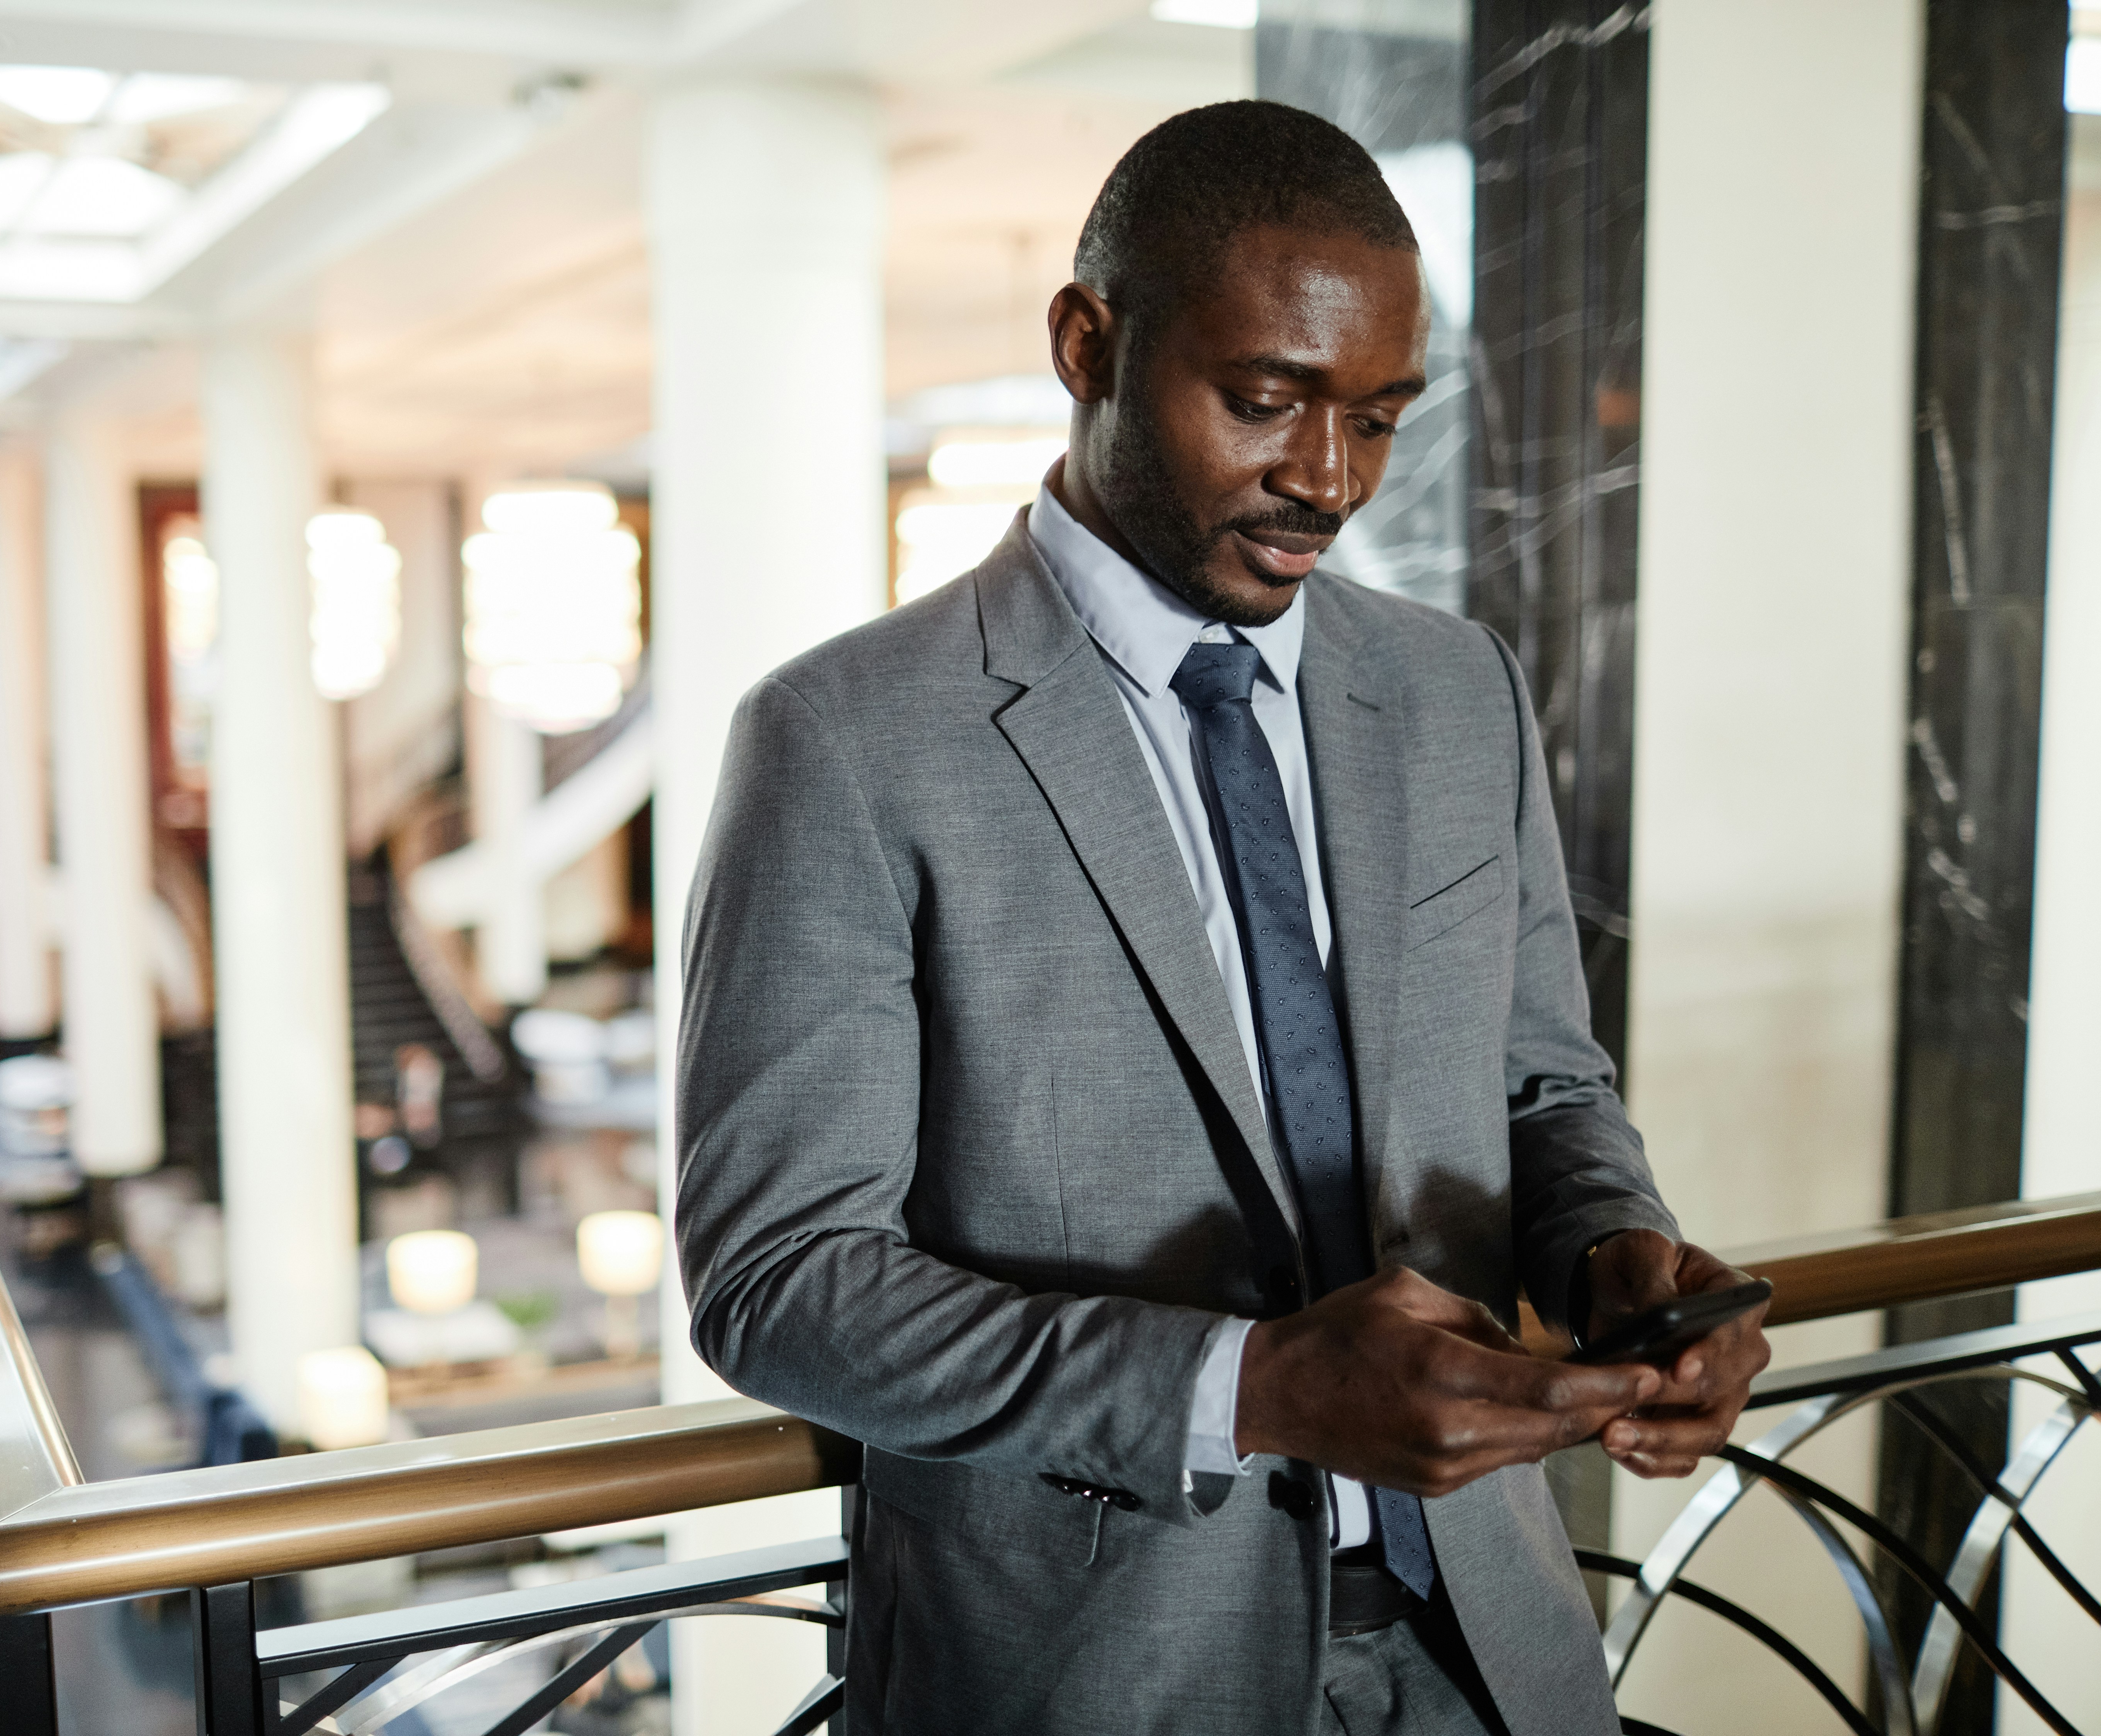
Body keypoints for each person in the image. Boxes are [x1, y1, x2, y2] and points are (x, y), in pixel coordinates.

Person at [672, 100, 1770, 1736]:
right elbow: (781, 1276)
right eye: (1266, 402)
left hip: (1493, 1645)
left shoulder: (1456, 691)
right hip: (1089, 1676)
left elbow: (1542, 1085)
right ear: (1088, 344)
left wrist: (1618, 1260)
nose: (1327, 480)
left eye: (1383, 419)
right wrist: (1248, 1389)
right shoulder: (843, 739)